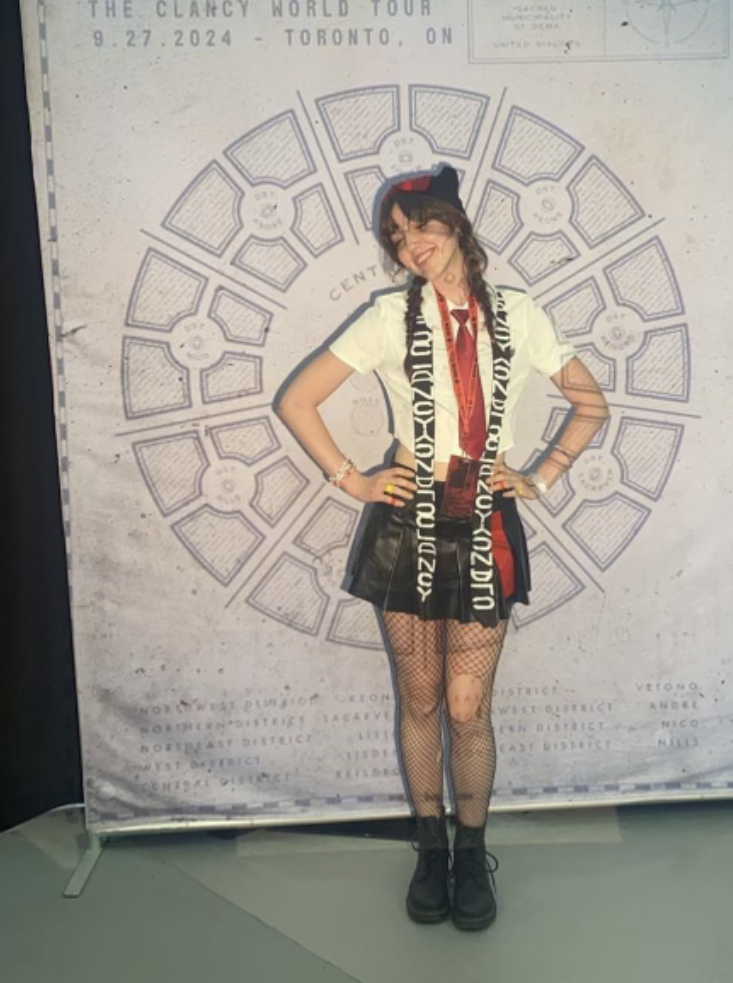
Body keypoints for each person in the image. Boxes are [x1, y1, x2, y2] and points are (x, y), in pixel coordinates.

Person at [277, 165, 609, 932]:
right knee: (422, 697)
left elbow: (591, 403)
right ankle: (430, 850)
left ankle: (470, 851)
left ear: (456, 223)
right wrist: (352, 479)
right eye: (397, 237)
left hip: (485, 521)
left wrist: (541, 474)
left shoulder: (520, 315)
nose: (411, 245)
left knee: (468, 705)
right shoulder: (388, 318)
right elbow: (297, 400)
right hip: (407, 523)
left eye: (422, 225)